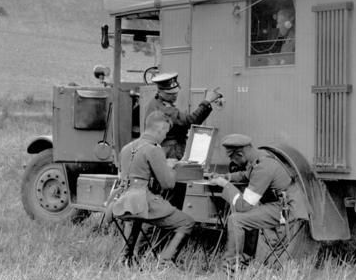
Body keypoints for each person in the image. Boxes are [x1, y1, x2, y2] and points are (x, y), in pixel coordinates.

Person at [106, 111, 196, 268]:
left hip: (123, 201)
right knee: (186, 222)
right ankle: (165, 262)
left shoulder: (127, 148)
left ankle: (125, 259)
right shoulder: (154, 149)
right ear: (160, 129)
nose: (164, 137)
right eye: (165, 132)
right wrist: (170, 167)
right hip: (142, 200)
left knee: (134, 220)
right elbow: (168, 184)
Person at [207, 134, 297, 275]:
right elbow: (246, 174)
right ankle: (244, 261)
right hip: (278, 204)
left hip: (286, 209)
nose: (231, 160)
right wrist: (227, 177)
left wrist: (225, 185)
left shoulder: (263, 167)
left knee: (236, 220)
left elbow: (244, 206)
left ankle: (230, 269)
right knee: (247, 216)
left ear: (240, 154)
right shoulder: (258, 157)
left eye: (232, 157)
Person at [145, 72, 222, 159]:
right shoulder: (164, 109)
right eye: (170, 93)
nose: (174, 96)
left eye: (175, 93)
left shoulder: (155, 102)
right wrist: (207, 101)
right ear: (159, 91)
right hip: (171, 150)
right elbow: (191, 121)